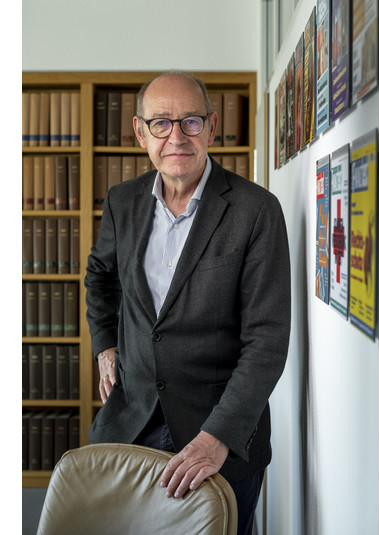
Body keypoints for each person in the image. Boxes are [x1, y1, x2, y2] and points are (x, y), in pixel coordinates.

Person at [85, 70, 291, 535]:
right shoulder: (122, 201)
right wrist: (105, 346)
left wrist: (217, 436)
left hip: (219, 437)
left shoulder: (257, 211)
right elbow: (99, 277)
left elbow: (267, 341)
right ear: (141, 132)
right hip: (130, 422)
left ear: (212, 127)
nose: (176, 137)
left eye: (190, 121)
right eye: (161, 123)